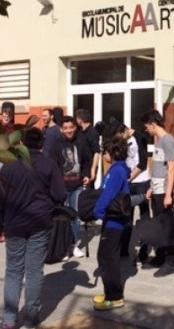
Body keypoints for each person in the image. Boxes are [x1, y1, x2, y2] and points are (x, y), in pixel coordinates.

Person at [0, 127, 67, 329]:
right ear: (42, 144)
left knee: (13, 271)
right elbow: (61, 195)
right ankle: (31, 317)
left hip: (14, 224)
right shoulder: (49, 164)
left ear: (22, 143)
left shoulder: (9, 166)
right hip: (40, 223)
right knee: (34, 271)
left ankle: (9, 320)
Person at [92, 136, 131, 311]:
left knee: (107, 258)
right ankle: (110, 292)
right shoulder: (118, 169)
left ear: (114, 153)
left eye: (106, 152)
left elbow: (108, 195)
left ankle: (114, 297)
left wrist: (97, 212)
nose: (104, 156)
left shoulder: (117, 171)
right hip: (113, 221)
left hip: (114, 222)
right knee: (108, 257)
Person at [141, 109, 174, 277]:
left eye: (147, 127)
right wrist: (151, 186)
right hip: (156, 189)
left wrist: (168, 194)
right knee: (159, 226)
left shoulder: (168, 141)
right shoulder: (159, 141)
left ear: (153, 124)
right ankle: (160, 256)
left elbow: (171, 169)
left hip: (164, 191)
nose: (146, 130)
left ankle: (170, 262)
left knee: (167, 226)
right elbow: (158, 168)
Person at [49, 116, 92, 259]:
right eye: (65, 128)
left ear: (75, 127)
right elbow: (52, 166)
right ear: (61, 129)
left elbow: (87, 160)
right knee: (63, 217)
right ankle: (64, 247)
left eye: (71, 127)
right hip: (62, 187)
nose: (69, 130)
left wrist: (86, 174)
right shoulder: (56, 145)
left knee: (76, 216)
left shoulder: (82, 142)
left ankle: (73, 245)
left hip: (78, 185)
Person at [114, 124, 151, 262]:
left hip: (142, 181)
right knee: (126, 214)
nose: (121, 141)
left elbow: (142, 164)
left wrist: (128, 178)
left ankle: (144, 250)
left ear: (125, 130)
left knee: (144, 215)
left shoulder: (140, 137)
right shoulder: (123, 142)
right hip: (129, 183)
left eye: (121, 137)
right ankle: (123, 249)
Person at [75, 109, 101, 185]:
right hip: (81, 166)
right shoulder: (80, 132)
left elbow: (96, 152)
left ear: (80, 119)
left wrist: (93, 169)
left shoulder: (92, 132)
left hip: (90, 165)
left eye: (77, 118)